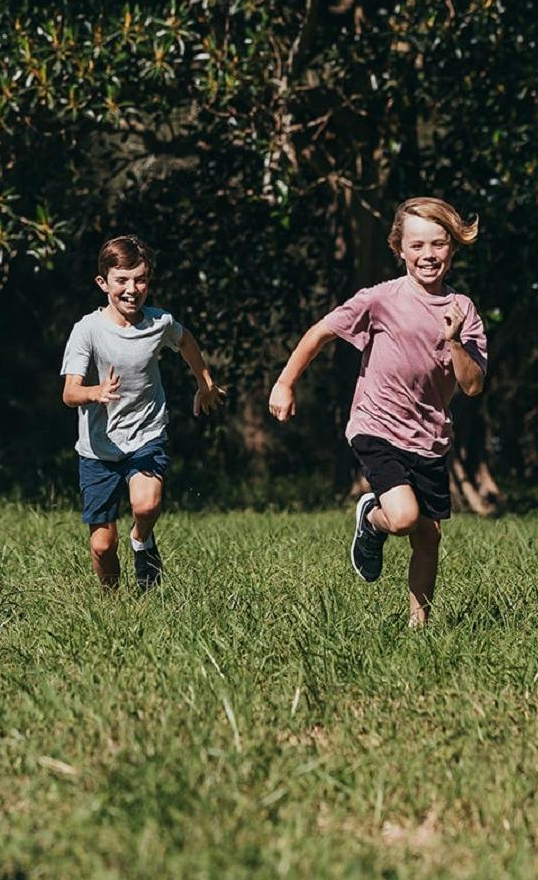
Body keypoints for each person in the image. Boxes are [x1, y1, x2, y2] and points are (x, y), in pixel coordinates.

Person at [267, 197, 488, 626]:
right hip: (376, 425)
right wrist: (285, 382)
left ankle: (418, 626)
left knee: (429, 535)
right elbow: (320, 333)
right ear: (399, 249)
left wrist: (456, 341)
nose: (428, 255)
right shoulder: (380, 299)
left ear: (453, 249)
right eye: (418, 245)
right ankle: (372, 517)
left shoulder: (464, 311)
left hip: (430, 435)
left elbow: (473, 385)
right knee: (404, 518)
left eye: (439, 244)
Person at [61, 235, 226, 591]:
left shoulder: (159, 322)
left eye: (140, 280)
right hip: (98, 450)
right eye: (122, 280)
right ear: (103, 283)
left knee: (147, 504)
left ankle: (142, 541)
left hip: (146, 435)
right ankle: (113, 604)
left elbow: (185, 341)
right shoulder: (87, 331)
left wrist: (204, 381)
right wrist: (96, 392)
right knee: (102, 545)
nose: (132, 289)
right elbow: (70, 393)